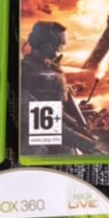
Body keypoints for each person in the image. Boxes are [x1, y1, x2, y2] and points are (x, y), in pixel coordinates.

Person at [19, 21, 98, 154]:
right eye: (59, 46)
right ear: (46, 45)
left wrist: (78, 127)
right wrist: (83, 142)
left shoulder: (53, 71)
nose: (59, 51)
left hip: (58, 138)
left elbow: (58, 110)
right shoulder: (24, 72)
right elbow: (41, 120)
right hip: (35, 145)